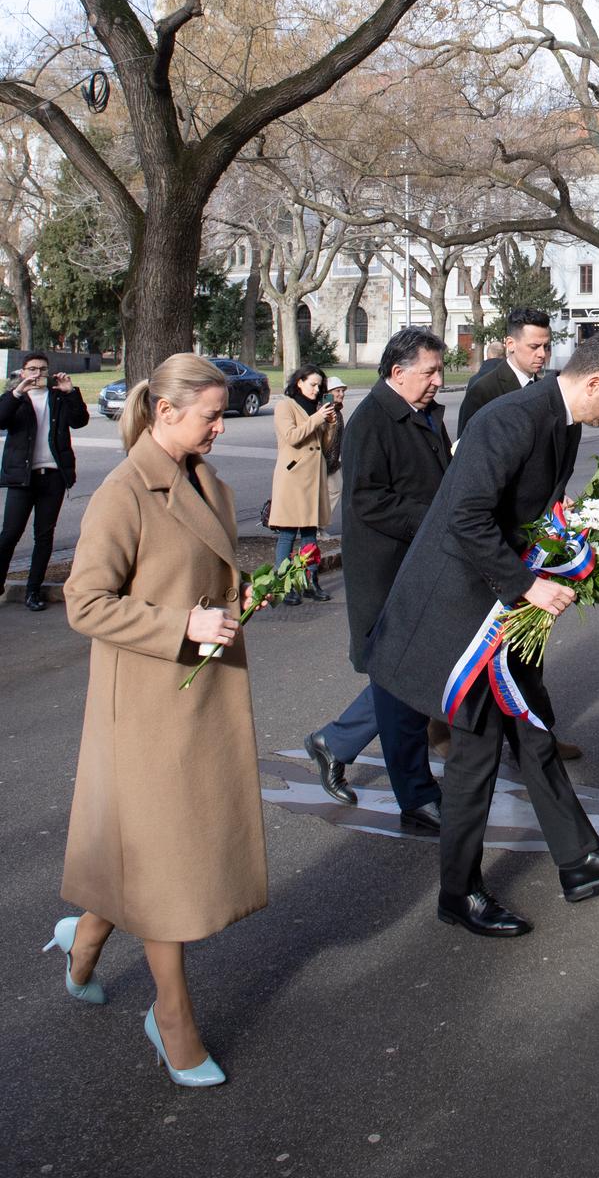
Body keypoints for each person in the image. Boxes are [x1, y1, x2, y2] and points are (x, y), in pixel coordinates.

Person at [367, 333, 599, 939]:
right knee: (476, 755)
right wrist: (527, 584)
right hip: (463, 610)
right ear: (594, 383)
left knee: (534, 731)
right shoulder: (509, 419)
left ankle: (579, 861)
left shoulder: (565, 421)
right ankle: (458, 893)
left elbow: (531, 503)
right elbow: (465, 516)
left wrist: (573, 531)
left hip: (503, 611)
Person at [47, 354, 266, 1088]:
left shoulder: (210, 480)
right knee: (167, 864)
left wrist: (233, 604)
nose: (219, 424)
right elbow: (86, 602)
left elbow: (204, 578)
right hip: (145, 705)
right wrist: (185, 623)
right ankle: (171, 1016)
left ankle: (84, 941)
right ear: (165, 412)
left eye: (222, 412)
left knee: (154, 855)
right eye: (209, 413)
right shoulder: (123, 490)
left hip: (197, 697)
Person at [303, 329, 453, 833]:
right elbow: (367, 501)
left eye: (438, 370)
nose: (439, 381)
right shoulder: (371, 420)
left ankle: (336, 742)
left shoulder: (424, 412)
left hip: (421, 567)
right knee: (402, 683)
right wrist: (434, 519)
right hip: (388, 574)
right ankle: (416, 798)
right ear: (397, 373)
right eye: (430, 372)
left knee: (404, 678)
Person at [0, 352, 89, 611]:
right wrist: (18, 392)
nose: (37, 374)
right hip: (22, 478)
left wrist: (71, 392)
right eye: (32, 369)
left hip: (52, 477)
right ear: (23, 372)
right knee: (9, 534)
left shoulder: (59, 397)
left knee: (44, 536)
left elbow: (80, 421)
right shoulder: (16, 399)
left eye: (42, 369)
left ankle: (33, 591)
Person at [268, 365, 337, 605]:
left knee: (310, 535)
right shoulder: (285, 406)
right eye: (313, 385)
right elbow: (292, 436)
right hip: (293, 478)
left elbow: (324, 447)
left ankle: (310, 581)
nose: (317, 390)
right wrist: (318, 418)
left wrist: (329, 424)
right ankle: (284, 585)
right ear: (299, 382)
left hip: (313, 477)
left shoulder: (316, 409)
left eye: (320, 386)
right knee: (287, 533)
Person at [455, 306, 552, 436]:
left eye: (546, 346)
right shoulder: (483, 391)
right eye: (534, 347)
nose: (542, 354)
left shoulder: (544, 390)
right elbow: (466, 447)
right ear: (510, 344)